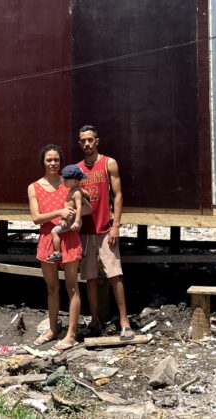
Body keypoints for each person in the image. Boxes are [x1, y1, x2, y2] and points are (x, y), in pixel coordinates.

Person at [27, 144, 92, 351]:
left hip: (69, 238)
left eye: (56, 160)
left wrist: (74, 211)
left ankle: (71, 334)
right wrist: (60, 212)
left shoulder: (70, 184)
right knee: (52, 287)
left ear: (61, 162)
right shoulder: (34, 187)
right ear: (43, 162)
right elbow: (36, 218)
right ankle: (53, 329)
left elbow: (88, 208)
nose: (53, 163)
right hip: (48, 239)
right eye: (49, 160)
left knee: (72, 286)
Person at [76, 125, 133, 339]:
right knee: (90, 277)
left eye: (90, 140)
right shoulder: (77, 169)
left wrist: (116, 225)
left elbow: (117, 195)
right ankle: (94, 321)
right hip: (85, 232)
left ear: (97, 141)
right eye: (83, 141)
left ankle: (125, 321)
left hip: (105, 228)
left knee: (114, 274)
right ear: (79, 143)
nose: (87, 144)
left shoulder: (108, 163)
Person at [46, 165, 85, 263]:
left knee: (54, 231)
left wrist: (76, 221)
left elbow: (79, 207)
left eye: (66, 180)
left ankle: (57, 253)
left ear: (76, 181)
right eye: (64, 179)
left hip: (72, 220)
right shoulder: (74, 190)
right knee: (75, 236)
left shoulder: (76, 192)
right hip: (68, 218)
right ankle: (80, 251)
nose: (64, 182)